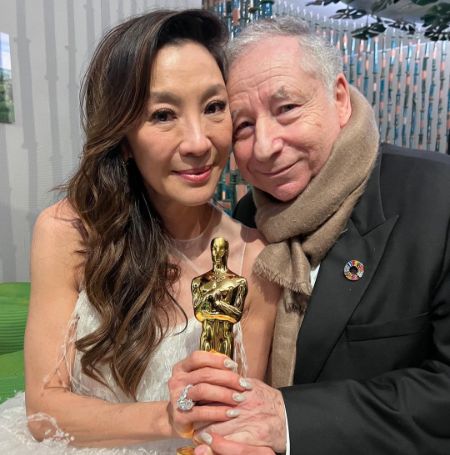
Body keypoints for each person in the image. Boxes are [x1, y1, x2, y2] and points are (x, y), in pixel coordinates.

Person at [0, 9, 280, 454]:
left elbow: (239, 414)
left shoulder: (256, 258)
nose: (198, 142)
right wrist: (167, 417)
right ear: (123, 137)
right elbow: (43, 411)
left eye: (213, 107)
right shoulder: (68, 232)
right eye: (163, 115)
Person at [168, 15, 450, 455]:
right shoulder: (249, 218)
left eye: (286, 109)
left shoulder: (436, 199)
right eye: (243, 126)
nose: (265, 146)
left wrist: (288, 419)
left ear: (338, 99)